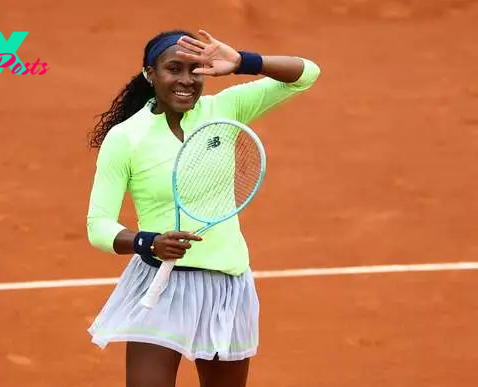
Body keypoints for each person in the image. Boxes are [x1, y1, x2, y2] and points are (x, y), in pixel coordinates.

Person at [86, 28, 320, 387]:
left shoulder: (223, 108)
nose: (185, 80)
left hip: (226, 287)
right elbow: (98, 225)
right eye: (173, 68)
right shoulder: (126, 138)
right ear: (150, 74)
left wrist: (243, 62)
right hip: (160, 288)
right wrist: (147, 242)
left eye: (195, 69)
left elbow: (305, 74)